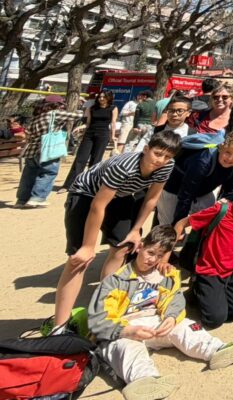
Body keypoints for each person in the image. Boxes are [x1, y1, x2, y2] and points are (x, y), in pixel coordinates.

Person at [87, 226, 233, 400]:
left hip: (155, 323)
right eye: (150, 252)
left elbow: (175, 300)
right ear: (140, 247)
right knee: (129, 348)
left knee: (184, 326)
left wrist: (171, 317)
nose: (152, 259)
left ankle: (217, 350)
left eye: (160, 256)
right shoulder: (115, 280)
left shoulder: (165, 276)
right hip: (123, 328)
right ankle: (145, 380)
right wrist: (127, 331)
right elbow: (97, 319)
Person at [54, 131, 180, 331]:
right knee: (79, 259)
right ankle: (58, 326)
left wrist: (136, 230)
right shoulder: (123, 166)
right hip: (86, 195)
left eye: (167, 157)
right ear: (146, 149)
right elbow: (98, 206)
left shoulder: (167, 166)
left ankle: (106, 308)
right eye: (157, 153)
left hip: (120, 195)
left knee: (124, 247)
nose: (161, 160)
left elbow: (151, 199)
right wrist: (88, 246)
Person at [174, 170, 233, 329]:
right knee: (215, 319)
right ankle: (197, 288)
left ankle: (215, 294)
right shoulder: (221, 209)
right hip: (210, 268)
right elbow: (183, 222)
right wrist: (170, 245)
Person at [157, 129, 233, 225]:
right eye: (228, 152)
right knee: (169, 230)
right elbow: (185, 195)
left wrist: (225, 201)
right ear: (221, 147)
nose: (230, 159)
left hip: (203, 192)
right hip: (174, 190)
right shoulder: (203, 160)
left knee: (211, 223)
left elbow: (231, 187)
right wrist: (178, 223)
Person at [14, 97, 82, 208]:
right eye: (61, 105)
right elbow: (77, 116)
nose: (62, 107)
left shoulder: (36, 118)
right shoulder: (55, 114)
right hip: (49, 150)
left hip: (32, 151)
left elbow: (28, 134)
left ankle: (21, 200)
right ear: (55, 105)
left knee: (28, 175)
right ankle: (37, 198)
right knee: (48, 173)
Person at [59, 91, 118, 190]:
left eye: (104, 97)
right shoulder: (92, 108)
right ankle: (69, 185)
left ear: (109, 98)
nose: (101, 99)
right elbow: (88, 123)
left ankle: (90, 184)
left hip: (103, 135)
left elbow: (113, 123)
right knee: (80, 159)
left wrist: (113, 136)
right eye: (100, 96)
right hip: (89, 134)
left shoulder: (113, 108)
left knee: (96, 160)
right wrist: (80, 127)